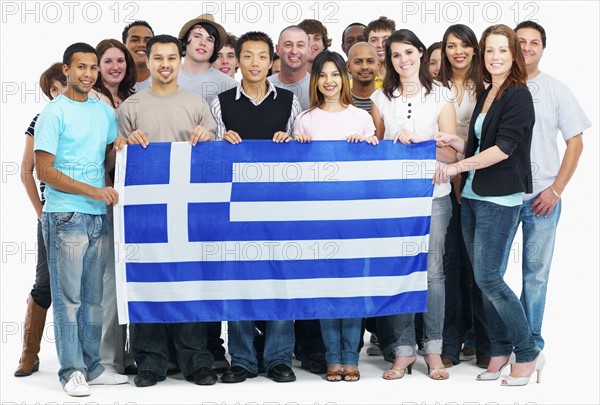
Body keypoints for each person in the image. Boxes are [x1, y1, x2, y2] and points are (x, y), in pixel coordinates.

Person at [433, 24, 543, 387]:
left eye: (503, 51)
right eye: (491, 50)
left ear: (513, 55)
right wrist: (454, 142)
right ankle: (498, 350)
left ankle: (526, 352)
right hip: (475, 198)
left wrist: (455, 167)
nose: (496, 57)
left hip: (500, 200)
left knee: (490, 278)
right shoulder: (488, 92)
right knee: (483, 282)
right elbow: (481, 145)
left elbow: (503, 150)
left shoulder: (517, 95)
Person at [116, 34, 218, 387]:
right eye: (157, 58)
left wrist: (208, 136)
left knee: (190, 283)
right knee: (147, 282)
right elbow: (116, 158)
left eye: (171, 58)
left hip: (189, 213)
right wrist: (125, 143)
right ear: (149, 61)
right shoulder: (131, 107)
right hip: (143, 214)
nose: (164, 65)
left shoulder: (197, 105)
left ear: (179, 60)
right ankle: (150, 361)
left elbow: (215, 160)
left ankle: (196, 359)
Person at [34, 42, 128, 396]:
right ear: (67, 70)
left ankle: (93, 366)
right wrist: (92, 192)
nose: (89, 74)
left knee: (92, 298)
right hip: (65, 216)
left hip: (97, 216)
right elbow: (44, 170)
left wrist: (119, 146)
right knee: (69, 299)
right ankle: (71, 370)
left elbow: (103, 159)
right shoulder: (53, 113)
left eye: (93, 68)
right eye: (81, 68)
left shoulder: (103, 113)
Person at [210, 31, 301, 384]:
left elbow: (302, 154)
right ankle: (244, 360)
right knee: (239, 284)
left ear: (271, 60)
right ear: (237, 60)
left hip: (280, 208)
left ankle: (278, 358)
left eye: (262, 57)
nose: (254, 63)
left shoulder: (289, 102)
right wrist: (221, 143)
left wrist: (290, 142)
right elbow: (210, 161)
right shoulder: (221, 103)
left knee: (281, 281)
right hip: (236, 209)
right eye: (247, 56)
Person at [370, 29, 457, 381]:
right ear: (388, 61)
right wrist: (380, 141)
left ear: (421, 53)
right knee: (400, 271)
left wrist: (420, 143)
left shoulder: (442, 95)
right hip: (394, 200)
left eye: (409, 52)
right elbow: (373, 149)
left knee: (432, 273)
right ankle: (403, 351)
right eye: (395, 55)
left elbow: (451, 151)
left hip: (434, 197)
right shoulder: (381, 98)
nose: (403, 60)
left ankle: (433, 349)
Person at [292, 50, 375, 382]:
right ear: (316, 81)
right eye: (323, 75)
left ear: (345, 78)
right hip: (318, 215)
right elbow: (295, 170)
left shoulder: (360, 117)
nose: (329, 81)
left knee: (352, 286)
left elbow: (375, 165)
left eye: (335, 74)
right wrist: (298, 145)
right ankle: (332, 356)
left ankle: (350, 356)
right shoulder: (306, 119)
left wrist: (366, 143)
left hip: (353, 215)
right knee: (326, 286)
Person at [512, 20, 589, 350]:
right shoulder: (497, 86)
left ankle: (531, 342)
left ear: (543, 48)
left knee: (536, 275)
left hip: (541, 198)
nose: (527, 47)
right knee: (489, 277)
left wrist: (556, 189)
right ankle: (497, 341)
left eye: (534, 42)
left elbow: (576, 141)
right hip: (499, 197)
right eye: (520, 42)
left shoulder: (556, 89)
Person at [438, 24, 491, 369]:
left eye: (465, 45)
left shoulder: (488, 89)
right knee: (450, 264)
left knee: (480, 267)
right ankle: (450, 343)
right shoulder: (437, 89)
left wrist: (463, 172)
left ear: (475, 50)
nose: (458, 51)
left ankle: (484, 343)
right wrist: (453, 174)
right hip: (445, 180)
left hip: (478, 180)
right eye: (451, 46)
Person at [15, 63, 66, 378]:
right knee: (44, 282)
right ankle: (28, 354)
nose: (59, 94)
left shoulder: (85, 119)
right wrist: (39, 209)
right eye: (53, 91)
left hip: (85, 210)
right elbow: (26, 170)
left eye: (63, 87)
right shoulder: (41, 120)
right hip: (51, 212)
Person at [90, 38, 138, 376]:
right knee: (108, 281)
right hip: (104, 197)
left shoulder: (134, 98)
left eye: (120, 60)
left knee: (132, 276)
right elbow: (93, 154)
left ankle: (132, 352)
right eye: (107, 61)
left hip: (133, 198)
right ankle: (108, 359)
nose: (115, 67)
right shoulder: (90, 101)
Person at [177, 13, 236, 104]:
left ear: (214, 47)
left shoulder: (229, 86)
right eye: (197, 36)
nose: (203, 43)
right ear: (185, 41)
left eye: (210, 39)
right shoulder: (164, 77)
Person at [268, 25, 311, 110]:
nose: (294, 51)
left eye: (300, 45)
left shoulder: (320, 87)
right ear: (277, 49)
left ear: (309, 50)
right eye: (288, 45)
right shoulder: (264, 86)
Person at [347, 42, 380, 113]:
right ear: (348, 66)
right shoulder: (341, 101)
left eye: (370, 61)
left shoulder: (387, 100)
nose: (364, 67)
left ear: (378, 65)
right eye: (358, 62)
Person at [122, 20, 154, 91]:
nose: (142, 44)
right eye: (135, 40)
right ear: (124, 46)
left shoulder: (165, 82)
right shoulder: (114, 83)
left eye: (147, 41)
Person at [364, 16, 395, 82]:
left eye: (386, 39)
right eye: (374, 40)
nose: (380, 45)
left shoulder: (403, 75)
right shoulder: (358, 80)